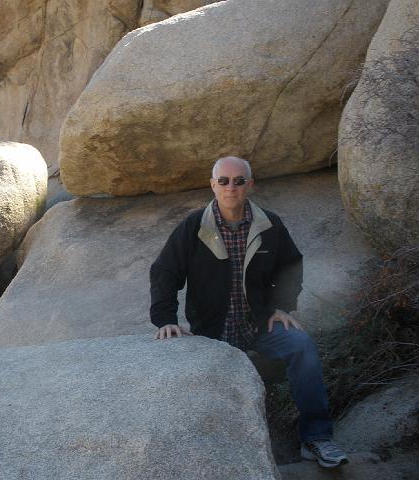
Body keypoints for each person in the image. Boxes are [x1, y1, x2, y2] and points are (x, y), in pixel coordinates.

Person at [149, 156, 348, 468]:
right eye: (224, 181)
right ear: (213, 185)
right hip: (210, 332)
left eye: (239, 180)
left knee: (302, 347)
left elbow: (290, 265)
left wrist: (283, 305)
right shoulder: (193, 228)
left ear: (250, 185)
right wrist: (165, 320)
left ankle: (317, 438)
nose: (232, 187)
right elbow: (164, 272)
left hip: (259, 326)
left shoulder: (268, 225)